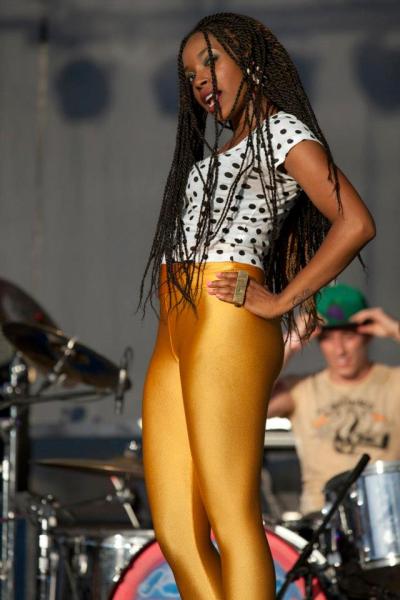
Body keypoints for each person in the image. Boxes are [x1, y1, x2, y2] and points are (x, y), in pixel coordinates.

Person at [139, 13, 375, 600]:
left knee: (230, 515)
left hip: (227, 321)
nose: (200, 80)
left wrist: (282, 300)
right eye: (189, 74)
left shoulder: (283, 132)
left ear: (251, 62)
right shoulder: (216, 153)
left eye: (210, 62)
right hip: (176, 326)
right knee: (176, 531)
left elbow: (355, 222)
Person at [268, 284, 400, 515]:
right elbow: (241, 405)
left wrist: (394, 329)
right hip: (320, 520)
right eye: (328, 338)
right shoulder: (300, 389)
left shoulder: (393, 382)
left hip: (386, 517)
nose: (339, 350)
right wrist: (291, 342)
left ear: (367, 335)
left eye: (349, 336)